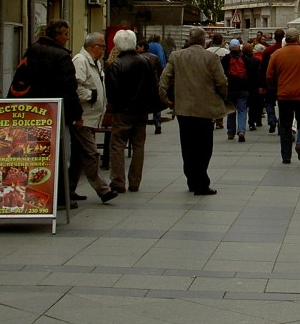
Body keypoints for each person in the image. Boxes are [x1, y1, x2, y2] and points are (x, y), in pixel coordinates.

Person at [6, 19, 84, 207]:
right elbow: (69, 88)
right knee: (60, 155)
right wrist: (76, 114)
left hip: (31, 111)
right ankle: (59, 196)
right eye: (65, 34)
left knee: (32, 153)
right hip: (55, 111)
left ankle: (29, 193)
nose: (67, 37)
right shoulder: (62, 56)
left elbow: (19, 78)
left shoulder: (32, 50)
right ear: (57, 35)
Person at [159, 26, 227, 195]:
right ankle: (201, 182)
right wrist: (221, 95)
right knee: (204, 146)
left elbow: (164, 79)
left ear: (189, 40)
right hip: (205, 108)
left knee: (187, 145)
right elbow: (222, 81)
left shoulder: (176, 56)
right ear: (204, 41)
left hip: (183, 109)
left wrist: (165, 99)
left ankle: (191, 178)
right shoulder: (211, 57)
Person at [105, 29, 160, 193]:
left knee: (117, 145)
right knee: (138, 145)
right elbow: (152, 86)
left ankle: (118, 181)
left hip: (122, 110)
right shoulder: (145, 62)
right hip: (141, 110)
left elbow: (112, 91)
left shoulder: (116, 64)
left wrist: (114, 107)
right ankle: (135, 181)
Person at [69, 32, 117, 203]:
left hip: (91, 116)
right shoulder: (80, 61)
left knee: (77, 155)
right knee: (91, 154)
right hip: (83, 116)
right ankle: (103, 190)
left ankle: (68, 189)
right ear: (93, 47)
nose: (105, 49)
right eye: (102, 46)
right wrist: (92, 96)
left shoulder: (94, 62)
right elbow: (75, 87)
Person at [265, 27, 300, 163]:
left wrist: (274, 87)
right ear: (298, 39)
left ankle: (286, 156)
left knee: (285, 125)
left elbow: (269, 76)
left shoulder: (277, 54)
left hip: (284, 95)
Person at [223, 39, 257, 141]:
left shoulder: (225, 59)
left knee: (231, 110)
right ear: (239, 47)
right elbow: (251, 75)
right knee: (242, 110)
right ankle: (241, 130)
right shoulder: (245, 59)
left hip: (230, 88)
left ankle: (230, 131)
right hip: (243, 88)